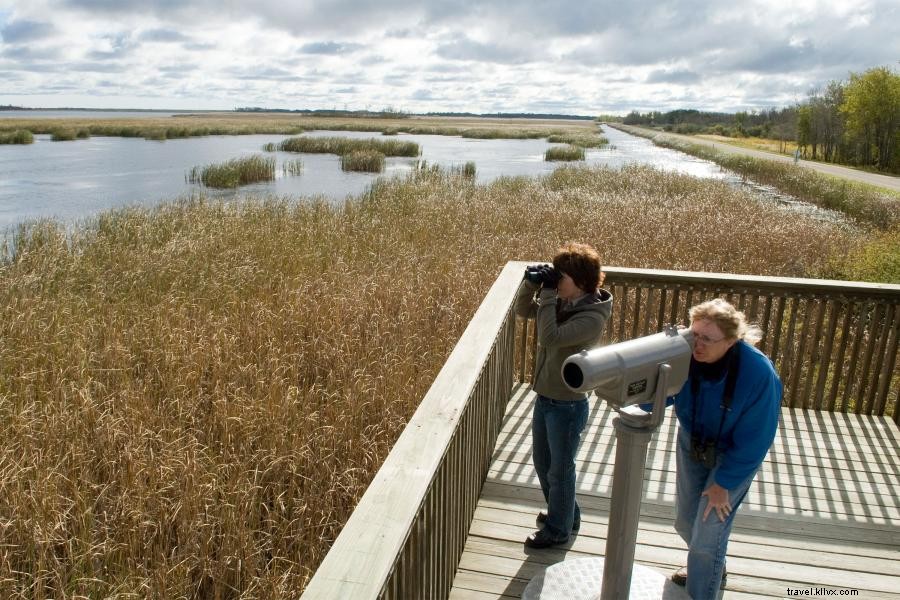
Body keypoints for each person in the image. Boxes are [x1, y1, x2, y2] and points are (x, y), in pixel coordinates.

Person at [669, 299, 782, 599]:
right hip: (692, 440)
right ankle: (712, 565)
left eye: (707, 339)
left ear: (731, 341)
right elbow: (656, 396)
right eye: (695, 335)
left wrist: (724, 483)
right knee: (685, 520)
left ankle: (702, 587)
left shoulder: (758, 373)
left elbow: (756, 439)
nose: (698, 345)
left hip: (733, 454)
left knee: (707, 534)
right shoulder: (684, 353)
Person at [514, 242, 613, 549]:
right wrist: (530, 285)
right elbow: (522, 311)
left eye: (562, 277)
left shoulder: (592, 317)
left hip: (567, 405)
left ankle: (558, 530)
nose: (557, 282)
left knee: (560, 469)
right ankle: (567, 515)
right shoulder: (566, 302)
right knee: (544, 463)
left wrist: (546, 294)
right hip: (546, 396)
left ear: (581, 281)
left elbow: (549, 337)